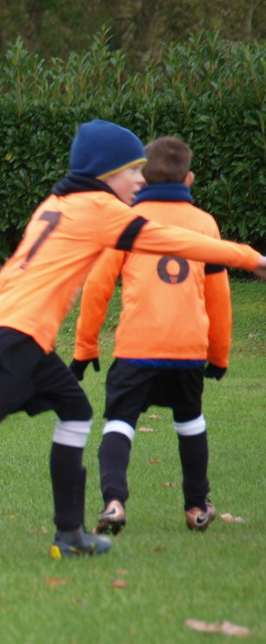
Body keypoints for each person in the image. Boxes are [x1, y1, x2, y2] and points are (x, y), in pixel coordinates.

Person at [0, 119, 266, 565]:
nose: (141, 179)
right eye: (133, 170)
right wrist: (252, 258)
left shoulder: (57, 202)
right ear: (106, 172)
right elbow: (174, 240)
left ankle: (70, 533)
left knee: (75, 410)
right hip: (17, 335)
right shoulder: (99, 208)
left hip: (19, 332)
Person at [71, 136, 231, 534]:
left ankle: (113, 504)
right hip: (188, 348)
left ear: (141, 178)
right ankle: (196, 507)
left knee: (119, 423)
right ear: (188, 179)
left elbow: (97, 287)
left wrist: (85, 346)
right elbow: (219, 296)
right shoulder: (205, 224)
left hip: (137, 348)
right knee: (190, 422)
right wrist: (219, 354)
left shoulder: (125, 222)